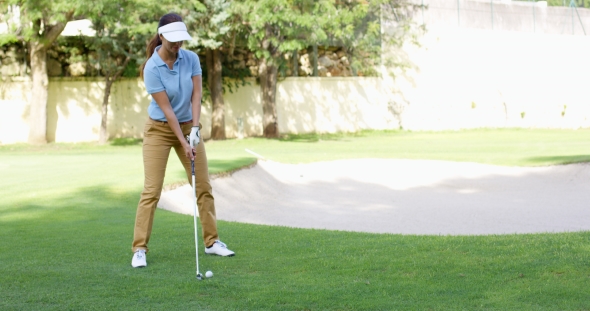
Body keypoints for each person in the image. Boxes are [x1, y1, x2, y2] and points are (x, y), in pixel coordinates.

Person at [131, 13, 234, 268]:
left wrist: (196, 129)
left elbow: (197, 94)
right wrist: (184, 142)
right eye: (173, 40)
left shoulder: (191, 58)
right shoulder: (151, 69)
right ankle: (139, 249)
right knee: (152, 190)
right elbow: (168, 111)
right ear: (162, 36)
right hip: (159, 129)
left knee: (203, 186)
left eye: (181, 41)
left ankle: (212, 243)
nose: (178, 45)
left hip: (189, 124)